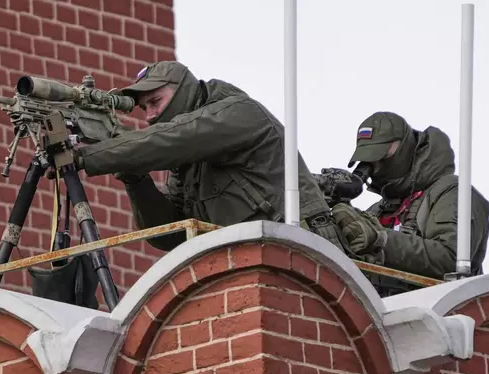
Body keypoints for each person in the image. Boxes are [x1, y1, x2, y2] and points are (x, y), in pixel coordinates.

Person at [71, 60, 347, 252]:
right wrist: (136, 180)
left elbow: (173, 138)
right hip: (246, 260)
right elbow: (171, 235)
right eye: (144, 109)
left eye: (156, 102)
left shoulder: (238, 113)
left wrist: (86, 157)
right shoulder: (188, 162)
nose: (151, 115)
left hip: (301, 248)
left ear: (184, 93)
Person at [331, 111, 489, 296]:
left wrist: (382, 240)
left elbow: (452, 260)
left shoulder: (453, 192)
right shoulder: (378, 209)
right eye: (368, 160)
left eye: (380, 156)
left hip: (440, 317)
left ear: (404, 148)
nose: (375, 166)